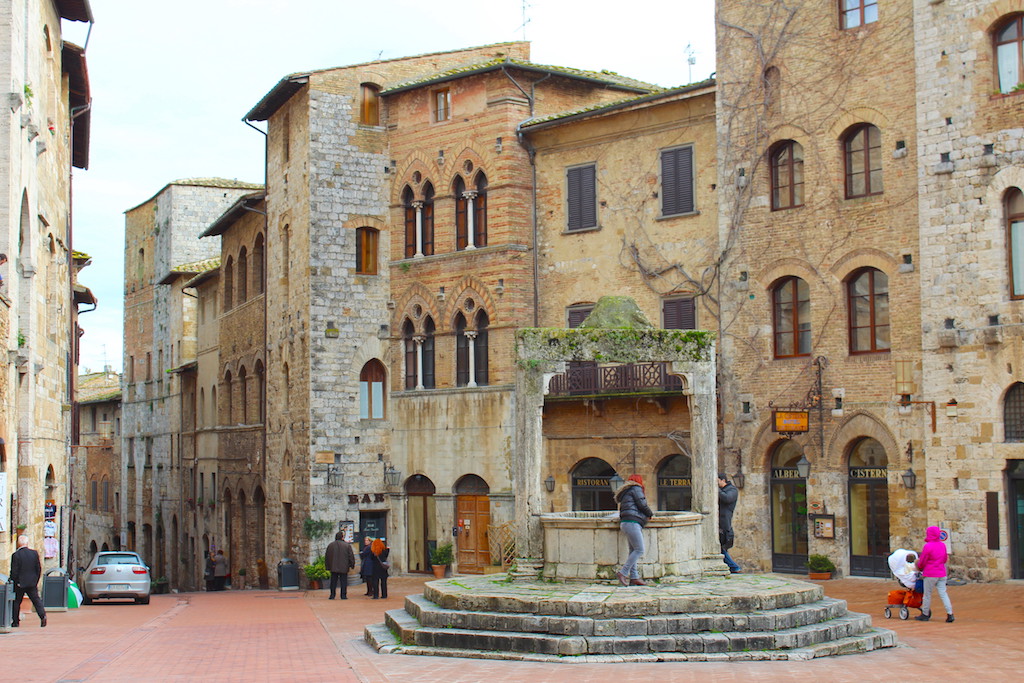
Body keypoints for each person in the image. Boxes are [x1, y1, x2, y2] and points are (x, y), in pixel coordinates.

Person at [614, 474, 654, 587]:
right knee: (639, 549)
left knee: (633, 551)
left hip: (626, 522)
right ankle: (623, 572)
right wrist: (650, 514)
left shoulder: (626, 491)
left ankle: (634, 577)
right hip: (633, 523)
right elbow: (642, 504)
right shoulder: (636, 489)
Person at [915, 526, 954, 622]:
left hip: (930, 573)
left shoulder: (928, 546)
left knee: (927, 594)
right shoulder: (942, 545)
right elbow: (944, 559)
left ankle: (925, 613)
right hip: (941, 572)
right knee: (943, 593)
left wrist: (919, 567)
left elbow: (923, 561)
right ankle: (950, 613)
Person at [10, 534, 46, 627]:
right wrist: (35, 580)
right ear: (27, 543)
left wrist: (14, 581)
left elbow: (14, 571)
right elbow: (38, 568)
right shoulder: (34, 553)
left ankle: (15, 621)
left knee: (17, 602)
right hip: (32, 583)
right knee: (36, 600)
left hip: (20, 583)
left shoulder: (16, 555)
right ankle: (42, 616)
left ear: (18, 544)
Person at [718, 473, 740, 574]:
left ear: (723, 480)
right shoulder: (722, 490)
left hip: (724, 524)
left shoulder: (732, 490)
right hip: (719, 523)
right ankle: (731, 566)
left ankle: (733, 566)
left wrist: (716, 490)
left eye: (717, 481)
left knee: (721, 548)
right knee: (720, 548)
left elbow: (727, 499)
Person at [325, 531, 355, 600]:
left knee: (333, 581)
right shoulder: (347, 546)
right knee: (343, 581)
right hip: (344, 566)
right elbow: (351, 556)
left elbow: (327, 556)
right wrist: (352, 564)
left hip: (333, 567)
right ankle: (343, 595)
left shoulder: (330, 545)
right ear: (342, 537)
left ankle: (332, 595)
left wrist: (327, 566)